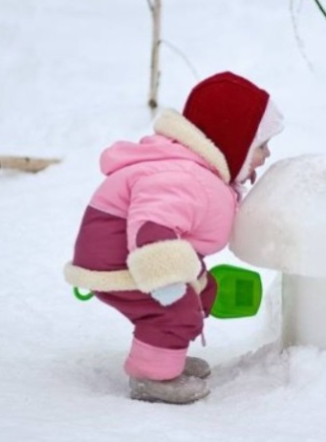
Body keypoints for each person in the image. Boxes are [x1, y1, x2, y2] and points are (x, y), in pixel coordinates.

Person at [63, 71, 284, 404]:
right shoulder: (181, 177)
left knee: (201, 295)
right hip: (126, 260)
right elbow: (153, 226)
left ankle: (167, 354)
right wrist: (166, 281)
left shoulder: (198, 173)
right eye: (260, 145)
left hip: (142, 255)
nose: (266, 155)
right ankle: (152, 377)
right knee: (173, 311)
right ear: (233, 141)